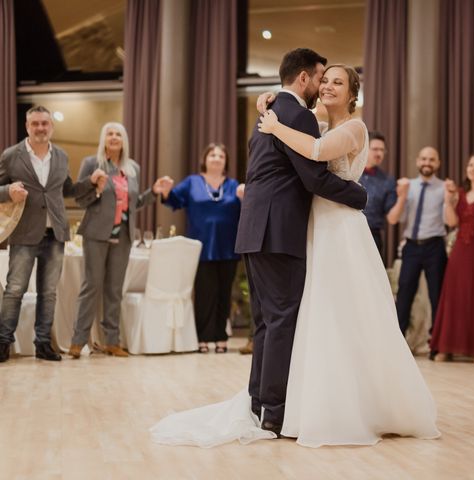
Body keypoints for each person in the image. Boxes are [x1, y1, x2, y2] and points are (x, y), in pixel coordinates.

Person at [150, 61, 439, 448]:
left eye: (337, 81)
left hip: (339, 227)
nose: (328, 86)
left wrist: (275, 124)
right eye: (325, 79)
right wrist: (268, 101)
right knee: (307, 317)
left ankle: (330, 402)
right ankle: (294, 401)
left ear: (353, 93)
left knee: (340, 314)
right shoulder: (308, 117)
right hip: (307, 229)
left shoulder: (353, 128)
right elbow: (290, 112)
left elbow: (317, 154)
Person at [0, 105, 106, 363]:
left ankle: (43, 344)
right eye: (35, 123)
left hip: (55, 232)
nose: (40, 128)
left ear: (51, 127)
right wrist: (7, 191)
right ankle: (3, 343)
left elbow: (66, 189)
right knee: (15, 289)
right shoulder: (12, 155)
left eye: (44, 124)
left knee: (49, 292)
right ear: (27, 127)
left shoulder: (61, 156)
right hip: (24, 232)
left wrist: (91, 183)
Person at [68, 122, 171, 359]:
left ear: (124, 140)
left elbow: (134, 204)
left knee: (114, 290)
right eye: (109, 134)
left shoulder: (132, 168)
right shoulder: (91, 164)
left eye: (118, 134)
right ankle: (77, 341)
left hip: (123, 236)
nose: (114, 137)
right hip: (96, 233)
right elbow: (80, 200)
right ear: (103, 139)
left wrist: (153, 192)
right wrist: (94, 186)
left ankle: (112, 341)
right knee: (91, 286)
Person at [159, 143, 243, 354]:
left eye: (221, 156)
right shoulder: (192, 182)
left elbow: (247, 210)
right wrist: (167, 191)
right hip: (201, 247)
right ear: (204, 159)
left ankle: (221, 337)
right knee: (204, 294)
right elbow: (174, 201)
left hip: (228, 247)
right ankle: (203, 338)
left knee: (225, 294)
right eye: (212, 155)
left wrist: (246, 197)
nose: (216, 158)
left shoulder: (234, 185)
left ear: (226, 162)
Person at [429, 153, 474, 364]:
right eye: (470, 165)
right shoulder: (459, 192)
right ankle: (446, 347)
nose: (473, 169)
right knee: (454, 296)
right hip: (460, 249)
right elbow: (452, 222)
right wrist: (448, 201)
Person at [388, 146, 447, 338]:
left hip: (435, 246)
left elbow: (450, 221)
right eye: (423, 159)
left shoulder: (444, 188)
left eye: (431, 159)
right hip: (412, 246)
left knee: (437, 295)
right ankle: (398, 339)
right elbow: (393, 219)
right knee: (404, 294)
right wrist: (402, 196)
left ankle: (437, 342)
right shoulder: (407, 186)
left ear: (438, 163)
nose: (427, 163)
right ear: (417, 161)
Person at [359, 131, 397, 255]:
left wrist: (402, 196)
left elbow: (391, 216)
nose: (379, 153)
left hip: (373, 235)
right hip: (346, 230)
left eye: (382, 150)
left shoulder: (388, 180)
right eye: (375, 149)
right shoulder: (350, 172)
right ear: (365, 148)